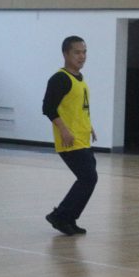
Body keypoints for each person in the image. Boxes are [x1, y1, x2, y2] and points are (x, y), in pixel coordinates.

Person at [42, 35, 98, 236]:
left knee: (88, 178)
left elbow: (78, 108)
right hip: (69, 140)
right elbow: (48, 108)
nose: (82, 56)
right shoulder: (60, 78)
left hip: (82, 138)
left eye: (84, 52)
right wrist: (64, 130)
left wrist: (89, 127)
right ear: (65, 54)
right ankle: (59, 216)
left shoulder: (79, 78)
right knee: (88, 177)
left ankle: (68, 218)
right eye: (77, 52)